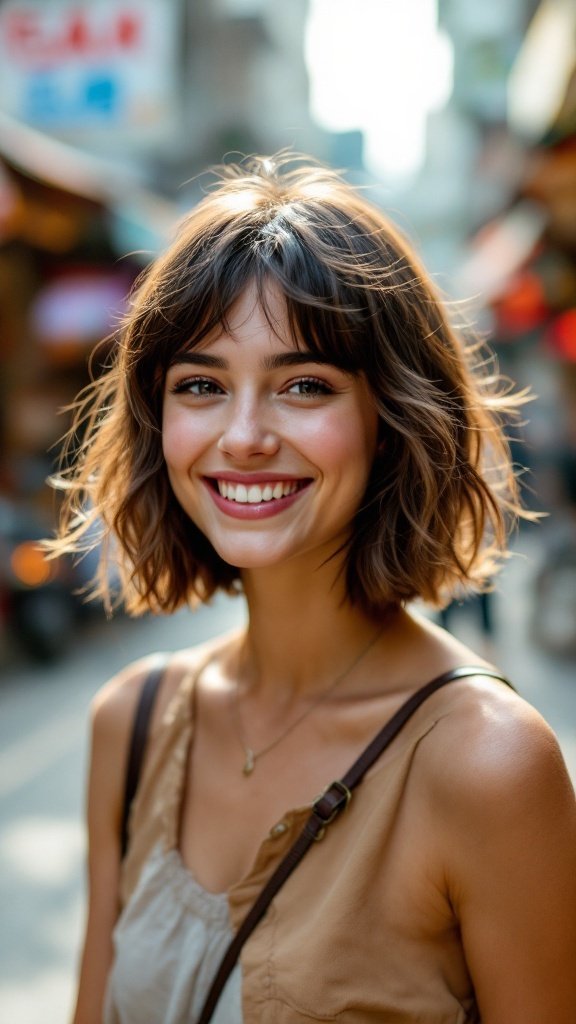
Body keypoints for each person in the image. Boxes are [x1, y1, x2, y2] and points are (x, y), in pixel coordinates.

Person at [50, 155, 576, 1024]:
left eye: (305, 385)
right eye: (202, 386)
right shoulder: (133, 725)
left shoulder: (488, 765)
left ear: (391, 418)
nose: (245, 435)